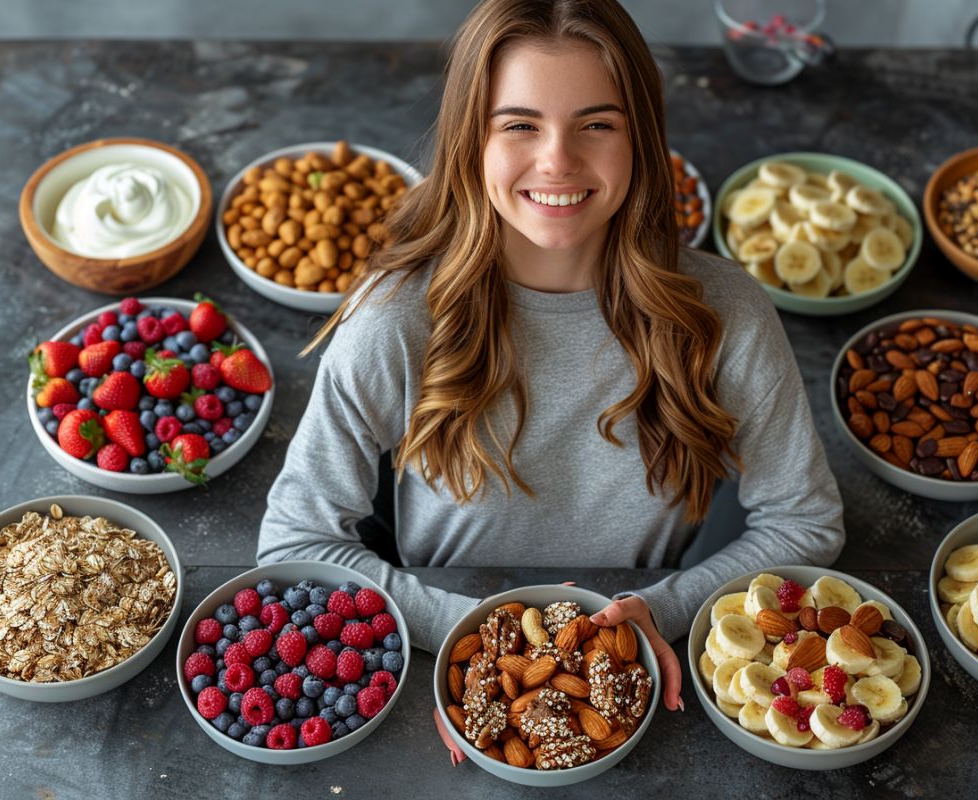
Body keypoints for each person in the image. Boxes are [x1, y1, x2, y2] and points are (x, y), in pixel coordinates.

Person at [257, 0, 844, 762]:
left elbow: (807, 522)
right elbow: (294, 543)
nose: (558, 160)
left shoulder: (724, 314)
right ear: (471, 141)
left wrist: (665, 609)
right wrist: (477, 650)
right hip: (443, 668)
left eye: (598, 124)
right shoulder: (393, 321)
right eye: (519, 124)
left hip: (638, 672)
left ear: (643, 138)